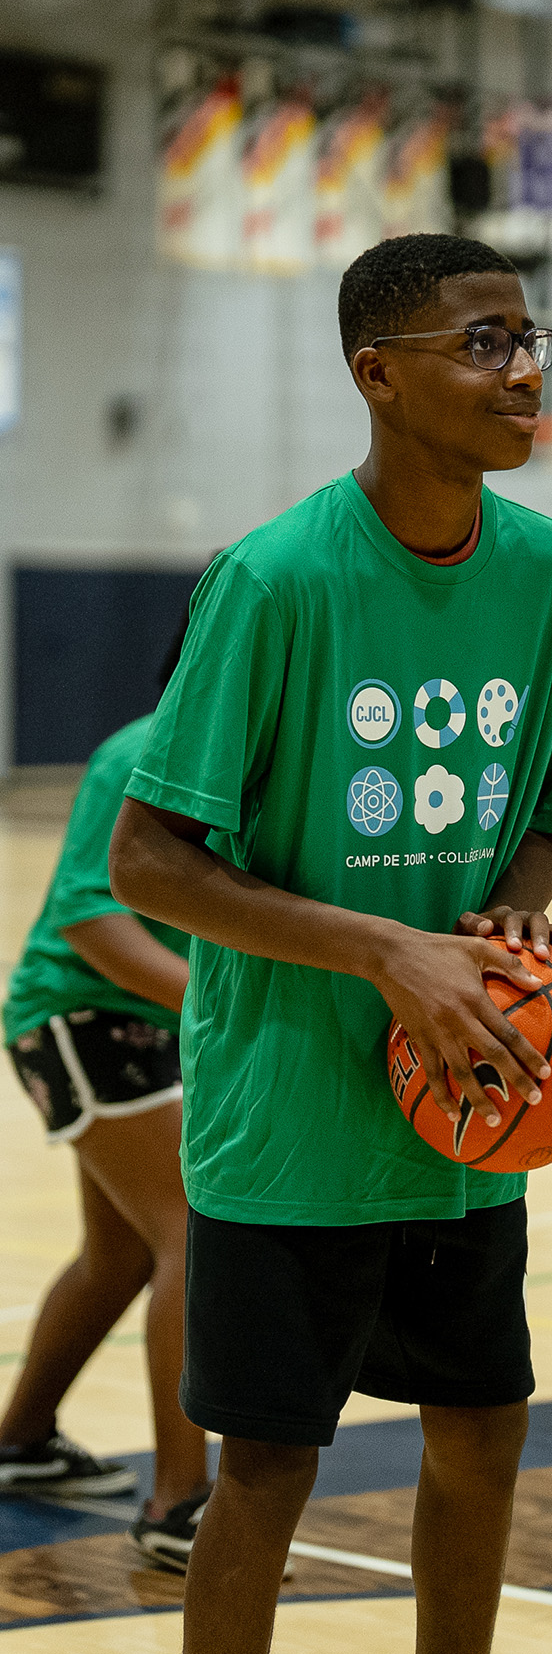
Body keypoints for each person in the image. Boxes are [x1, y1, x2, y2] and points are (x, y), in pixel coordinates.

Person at [108, 233, 552, 1654]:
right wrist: (389, 951)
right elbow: (150, 864)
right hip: (290, 1116)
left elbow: (546, 820)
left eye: (528, 337)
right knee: (265, 1468)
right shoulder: (271, 581)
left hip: (466, 1102)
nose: (522, 371)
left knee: (484, 1429)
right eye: (483, 342)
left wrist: (506, 918)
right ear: (377, 375)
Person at [0, 618, 209, 1572]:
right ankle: (180, 1503)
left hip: (147, 1027)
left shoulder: (247, 757)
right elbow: (89, 919)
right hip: (74, 1018)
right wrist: (215, 1005)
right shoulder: (144, 747)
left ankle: (23, 1442)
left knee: (121, 1254)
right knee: (191, 1235)